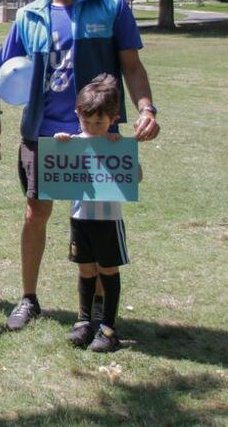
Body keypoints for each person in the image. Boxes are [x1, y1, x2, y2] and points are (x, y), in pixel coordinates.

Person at [0, 0, 160, 331]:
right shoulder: (29, 15)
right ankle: (28, 299)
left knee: (97, 220)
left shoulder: (111, 5)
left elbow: (131, 67)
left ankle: (96, 310)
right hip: (44, 133)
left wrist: (146, 107)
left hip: (99, 133)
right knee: (36, 213)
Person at [54, 74, 136, 353]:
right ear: (78, 114)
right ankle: (83, 321)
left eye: (98, 123)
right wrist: (61, 143)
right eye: (86, 121)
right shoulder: (74, 142)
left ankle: (108, 328)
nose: (91, 127)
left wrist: (123, 151)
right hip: (80, 219)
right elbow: (58, 170)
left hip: (108, 221)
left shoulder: (116, 144)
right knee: (85, 269)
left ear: (112, 118)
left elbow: (134, 176)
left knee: (107, 271)